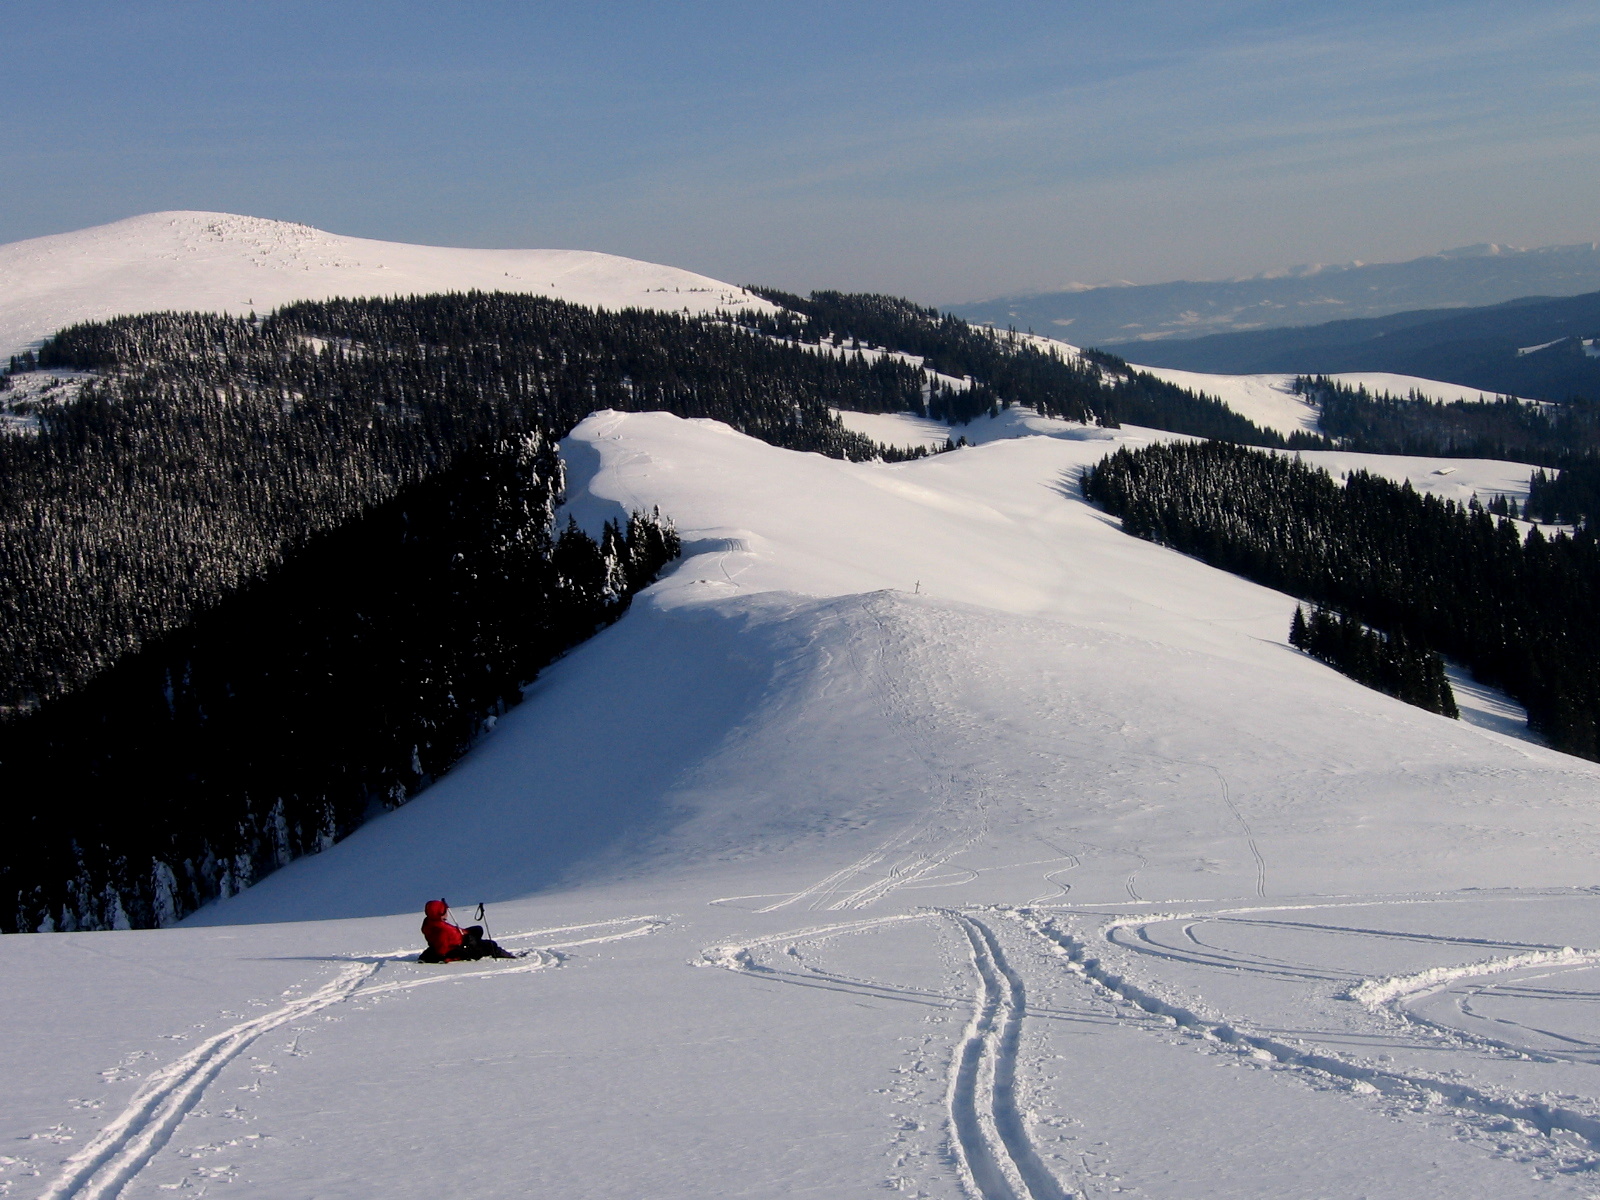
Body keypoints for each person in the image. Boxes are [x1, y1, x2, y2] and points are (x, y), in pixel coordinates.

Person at [418, 899, 516, 963]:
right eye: (445, 912)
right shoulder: (443, 929)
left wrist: (465, 932)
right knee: (490, 945)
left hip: (450, 943)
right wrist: (466, 937)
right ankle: (503, 955)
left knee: (478, 930)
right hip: (457, 949)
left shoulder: (429, 922)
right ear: (440, 913)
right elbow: (451, 943)